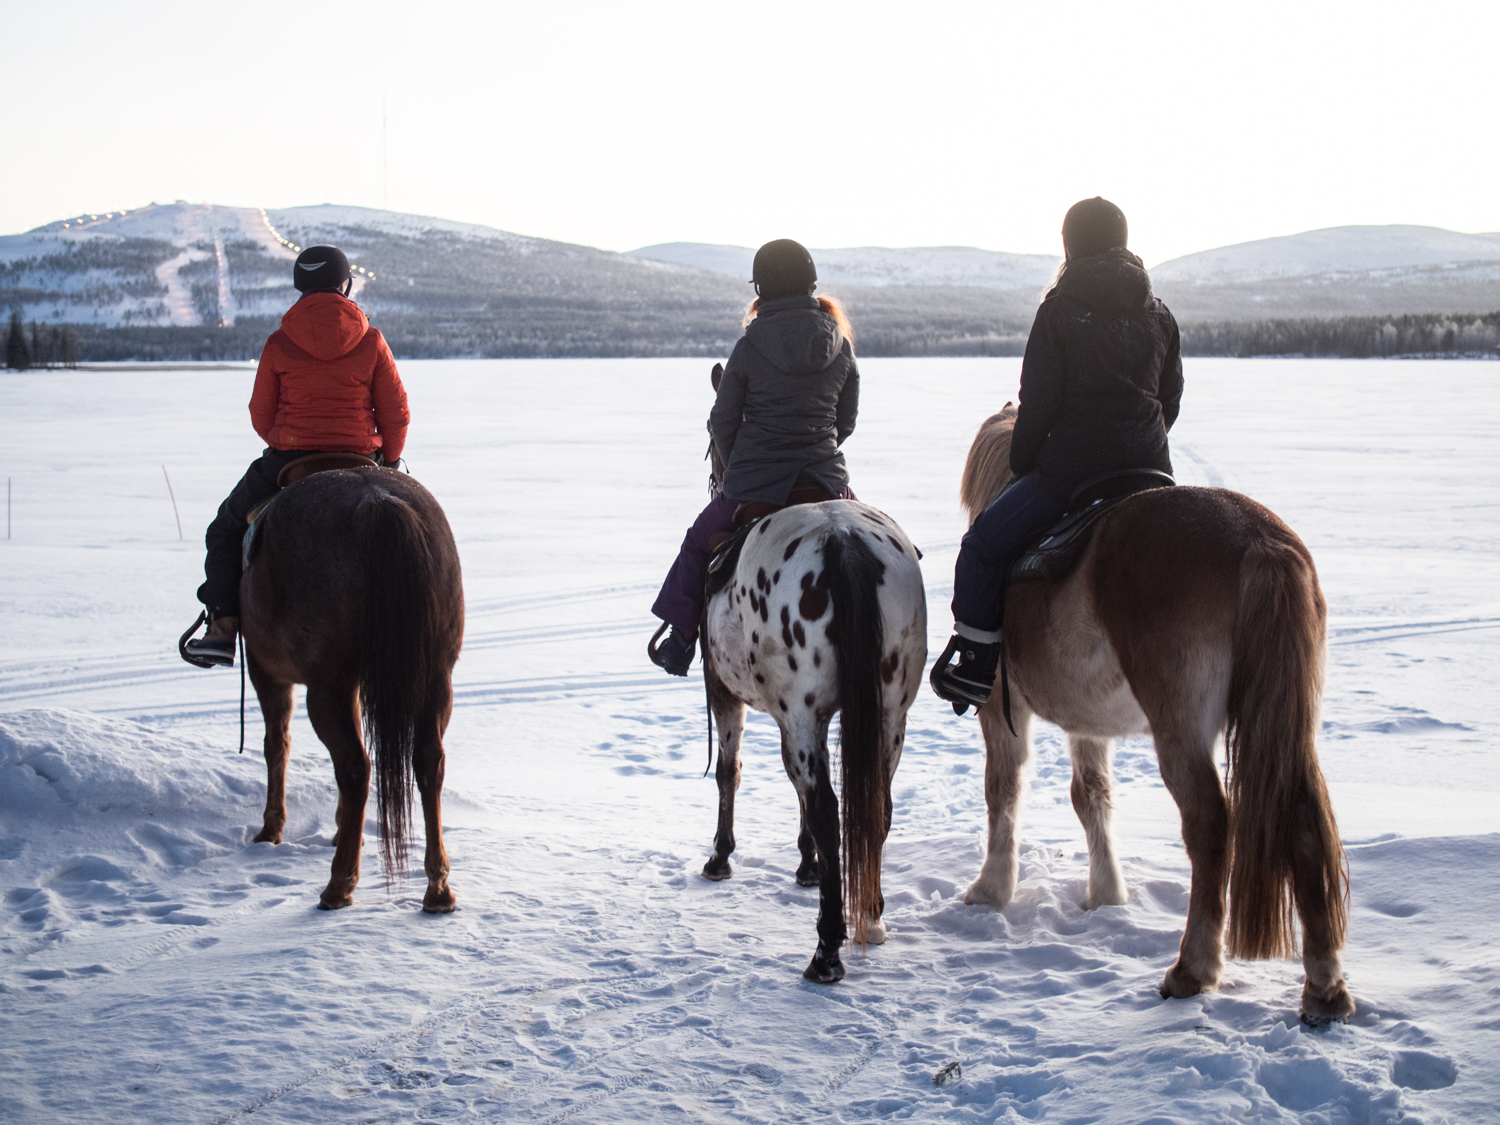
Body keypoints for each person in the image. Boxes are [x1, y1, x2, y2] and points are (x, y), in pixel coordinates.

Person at [930, 197, 1183, 709]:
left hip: (1072, 475)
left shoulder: (1059, 311)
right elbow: (1170, 399)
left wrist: (1026, 462)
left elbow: (1038, 403)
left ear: (1070, 245)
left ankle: (977, 665)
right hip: (1151, 472)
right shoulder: (1159, 314)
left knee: (980, 547)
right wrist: (1142, 444)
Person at [182, 245, 410, 667]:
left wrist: (285, 440)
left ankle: (222, 629)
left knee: (227, 530)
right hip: (361, 457)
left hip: (290, 458)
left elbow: (259, 414)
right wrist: (391, 460)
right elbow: (396, 414)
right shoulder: (373, 341)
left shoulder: (280, 342)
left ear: (299, 287)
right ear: (346, 285)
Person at [649, 239, 859, 675]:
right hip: (824, 480)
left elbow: (722, 422)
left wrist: (739, 473)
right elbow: (847, 422)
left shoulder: (748, 347)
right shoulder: (840, 345)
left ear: (761, 287)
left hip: (756, 486)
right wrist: (816, 448)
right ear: (810, 281)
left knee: (696, 541)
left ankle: (682, 638)